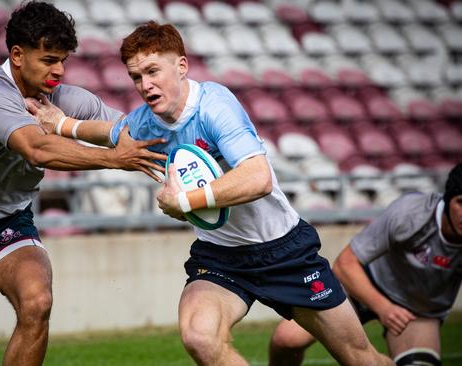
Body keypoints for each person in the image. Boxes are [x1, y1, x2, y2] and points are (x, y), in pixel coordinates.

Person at [25, 21, 393, 366]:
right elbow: (113, 132)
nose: (144, 84)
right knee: (200, 337)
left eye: (153, 71)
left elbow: (258, 177)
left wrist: (184, 202)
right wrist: (59, 123)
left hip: (282, 250)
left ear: (181, 66)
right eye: (136, 77)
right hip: (221, 258)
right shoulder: (148, 119)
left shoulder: (214, 105)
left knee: (359, 357)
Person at [0, 3, 168, 366]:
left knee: (37, 302)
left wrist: (194, 139)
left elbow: (130, 130)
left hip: (7, 222)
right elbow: (37, 149)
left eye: (62, 60)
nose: (58, 70)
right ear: (16, 55)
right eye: (48, 60)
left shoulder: (68, 100)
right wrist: (113, 159)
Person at [269, 163, 462, 366]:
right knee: (286, 340)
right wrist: (384, 308)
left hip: (418, 308)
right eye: (460, 202)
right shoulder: (410, 213)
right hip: (364, 285)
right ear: (446, 200)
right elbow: (345, 265)